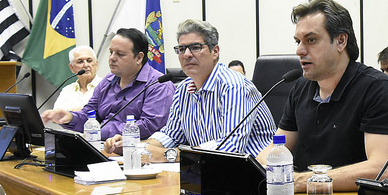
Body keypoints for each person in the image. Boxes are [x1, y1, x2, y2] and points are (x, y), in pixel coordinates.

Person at [256, 0, 388, 192]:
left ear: (341, 41)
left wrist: (300, 181)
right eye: (298, 41)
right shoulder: (300, 87)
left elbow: (380, 170)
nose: (299, 51)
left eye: (311, 40)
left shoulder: (377, 89)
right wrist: (261, 165)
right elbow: (277, 147)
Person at [104, 20, 275, 161]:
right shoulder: (184, 89)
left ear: (215, 51)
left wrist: (169, 155)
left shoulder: (233, 86)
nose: (186, 55)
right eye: (181, 49)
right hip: (204, 169)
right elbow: (171, 135)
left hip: (255, 174)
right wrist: (134, 147)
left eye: (195, 47)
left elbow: (229, 147)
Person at [41, 28, 175, 140]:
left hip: (140, 155)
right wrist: (70, 117)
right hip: (103, 148)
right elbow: (89, 115)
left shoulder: (159, 84)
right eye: (111, 52)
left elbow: (148, 127)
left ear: (139, 57)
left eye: (120, 54)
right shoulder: (108, 81)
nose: (112, 58)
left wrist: (100, 131)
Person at [52, 46, 103, 111]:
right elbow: (58, 116)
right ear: (72, 68)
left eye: (89, 61)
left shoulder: (106, 86)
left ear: (96, 64)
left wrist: (70, 113)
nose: (86, 65)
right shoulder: (67, 90)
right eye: (80, 61)